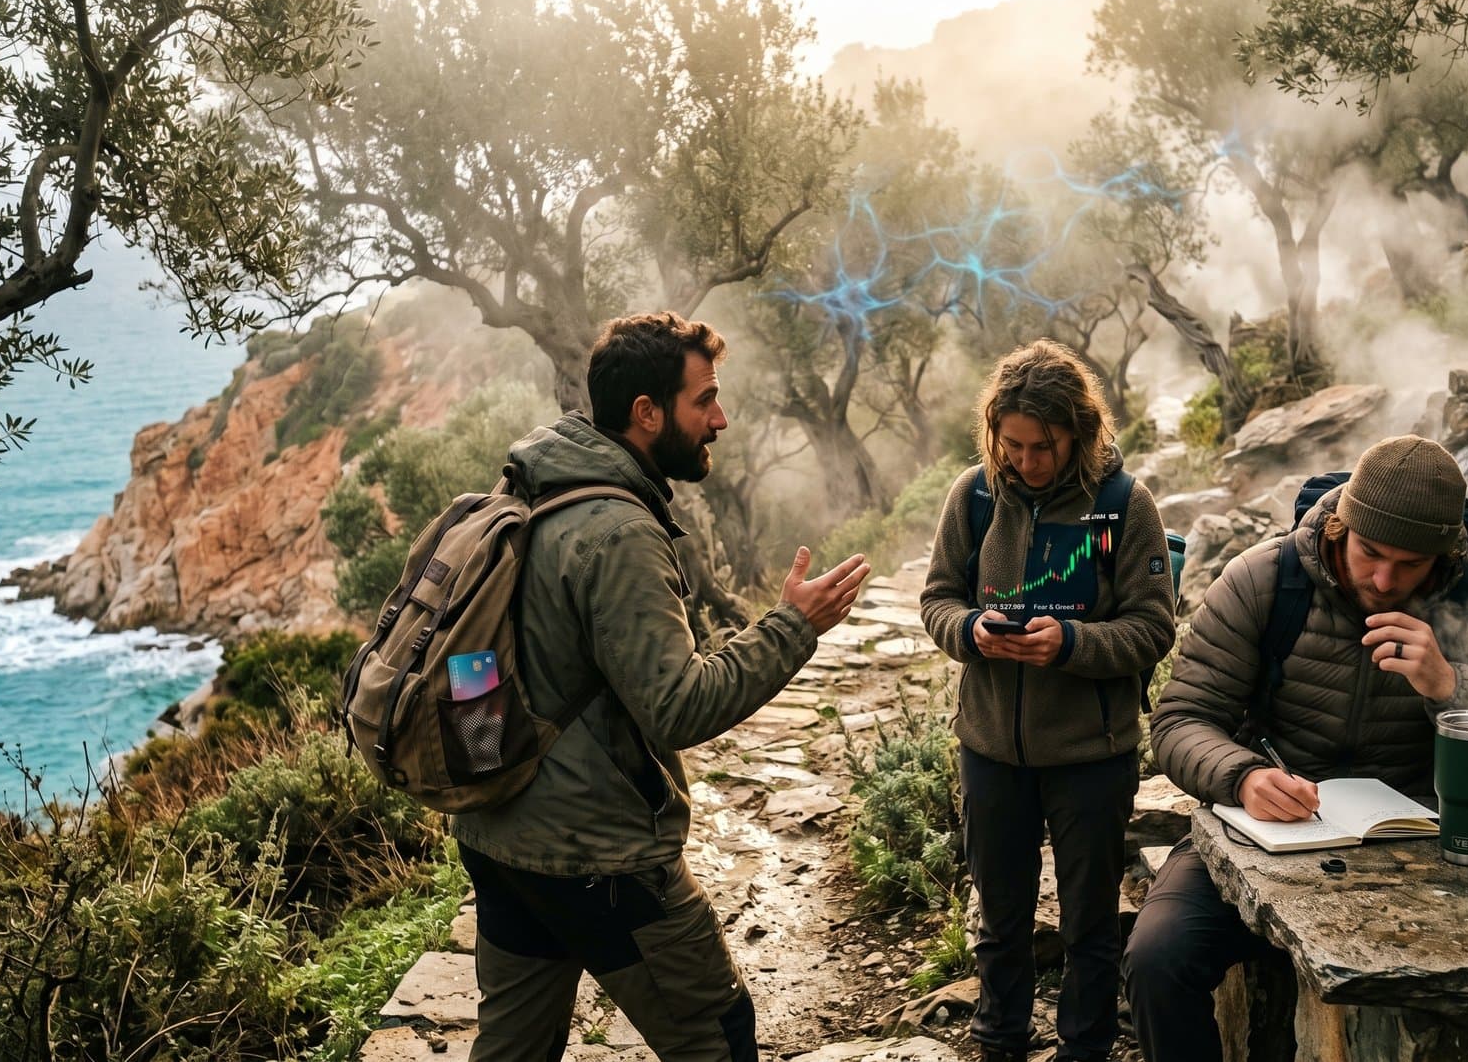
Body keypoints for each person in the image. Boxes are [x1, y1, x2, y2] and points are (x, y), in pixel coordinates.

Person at [453, 311, 872, 1062]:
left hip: (500, 841)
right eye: (704, 399)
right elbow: (677, 705)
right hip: (601, 859)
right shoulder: (616, 530)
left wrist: (495, 776)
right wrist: (792, 626)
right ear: (646, 413)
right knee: (718, 1036)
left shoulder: (528, 486)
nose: (720, 417)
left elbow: (473, 664)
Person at [1122, 435, 1468, 1062]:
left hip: (1423, 835)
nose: (1384, 580)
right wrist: (1244, 777)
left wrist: (1452, 686)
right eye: (1371, 553)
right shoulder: (1264, 580)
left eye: (1409, 565)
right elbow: (1180, 721)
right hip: (1267, 830)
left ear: (1442, 555)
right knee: (1157, 958)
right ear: (1340, 524)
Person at [920, 340, 1178, 1062]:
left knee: (1090, 924)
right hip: (991, 751)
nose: (1026, 461)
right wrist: (970, 630)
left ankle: (1084, 1048)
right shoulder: (973, 496)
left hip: (1091, 757)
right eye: (1012, 445)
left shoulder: (1126, 506)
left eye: (1043, 446)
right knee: (1000, 919)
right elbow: (936, 598)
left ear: (1080, 433)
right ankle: (999, 1040)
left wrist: (1070, 644)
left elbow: (1154, 626)